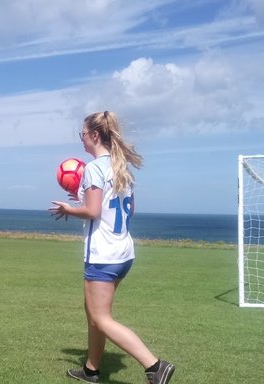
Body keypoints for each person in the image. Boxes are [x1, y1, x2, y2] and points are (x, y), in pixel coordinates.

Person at [49, 111, 174, 384]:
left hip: (103, 255)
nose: (81, 140)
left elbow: (93, 211)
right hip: (123, 252)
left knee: (101, 318)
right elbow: (125, 208)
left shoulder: (93, 168)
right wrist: (82, 199)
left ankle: (155, 366)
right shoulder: (121, 168)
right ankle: (91, 370)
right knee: (92, 312)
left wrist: (70, 208)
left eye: (82, 134)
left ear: (94, 135)